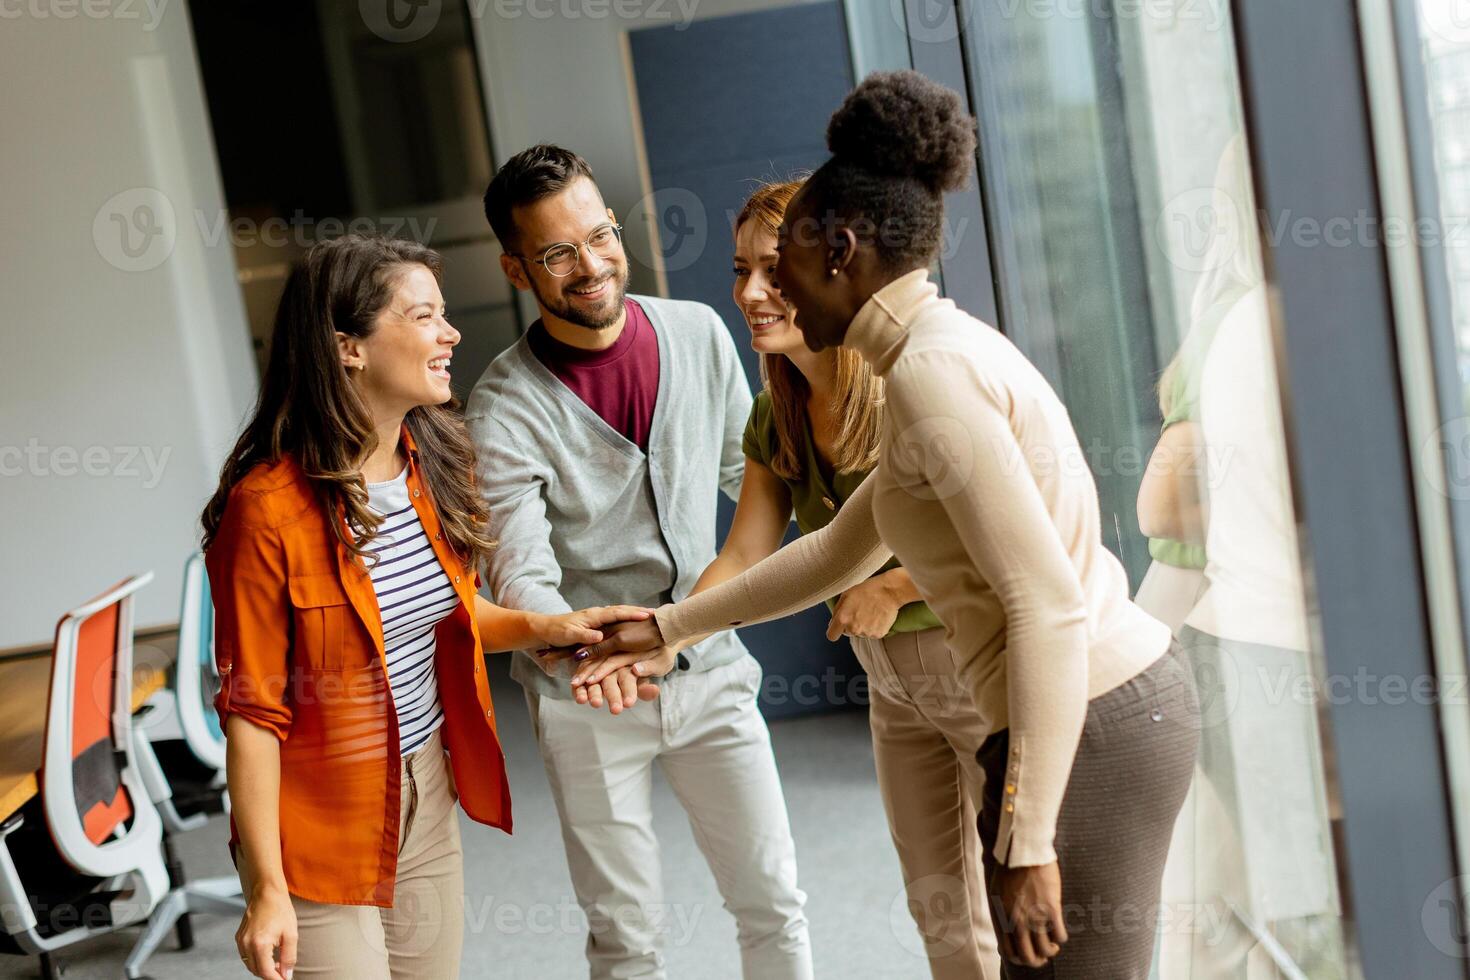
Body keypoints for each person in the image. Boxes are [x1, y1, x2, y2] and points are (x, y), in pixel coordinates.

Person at [574, 70, 1200, 978]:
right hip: (1081, 713)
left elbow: (1048, 607)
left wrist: (1025, 842)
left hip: (1093, 717)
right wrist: (663, 628)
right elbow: (836, 550)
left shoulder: (930, 374)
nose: (768, 286)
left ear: (841, 249)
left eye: (782, 255)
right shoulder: (923, 360)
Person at [573, 175, 999, 978]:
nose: (752, 292)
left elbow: (999, 531)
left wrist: (894, 586)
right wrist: (669, 639)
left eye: (773, 268)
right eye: (740, 270)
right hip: (892, 684)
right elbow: (744, 557)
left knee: (1019, 899)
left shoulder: (909, 383)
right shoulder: (780, 412)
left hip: (973, 656)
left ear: (831, 266)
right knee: (941, 909)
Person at [202, 234, 649, 980]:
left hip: (424, 789)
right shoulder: (267, 510)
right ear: (348, 348)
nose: (451, 333)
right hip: (319, 822)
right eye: (423, 317)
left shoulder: (431, 463)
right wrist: (267, 889)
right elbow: (252, 711)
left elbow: (445, 612)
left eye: (444, 315)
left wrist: (550, 626)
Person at [464, 145, 812, 980]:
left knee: (773, 903)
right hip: (588, 693)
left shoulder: (696, 333)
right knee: (626, 939)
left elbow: (757, 482)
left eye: (599, 235)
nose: (590, 266)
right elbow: (523, 578)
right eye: (557, 253)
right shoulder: (502, 406)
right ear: (519, 268)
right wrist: (592, 655)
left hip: (711, 663)